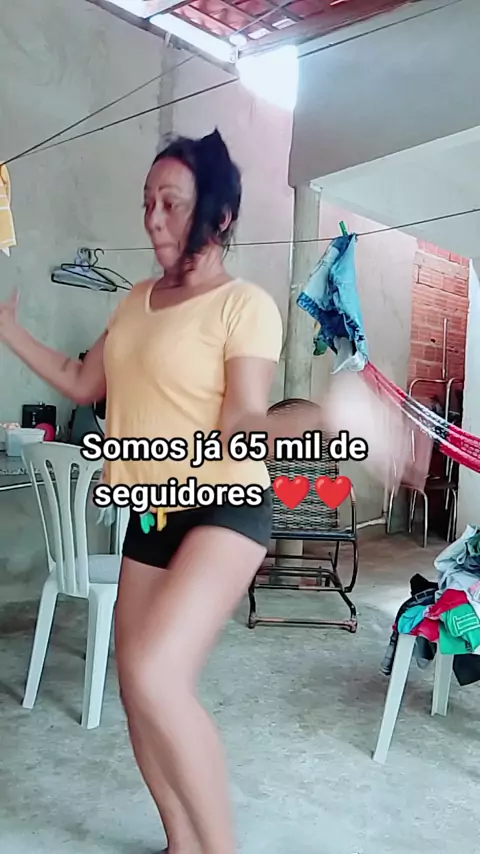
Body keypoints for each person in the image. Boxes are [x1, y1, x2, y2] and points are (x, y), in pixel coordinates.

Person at [0, 129, 330, 854]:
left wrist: (318, 422)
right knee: (137, 691)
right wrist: (7, 329)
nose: (152, 218)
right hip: (150, 513)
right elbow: (82, 380)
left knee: (156, 673)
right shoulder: (134, 302)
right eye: (148, 201)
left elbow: (242, 421)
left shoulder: (244, 305)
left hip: (226, 507)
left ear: (219, 217)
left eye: (172, 203)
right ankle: (182, 843)